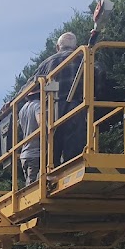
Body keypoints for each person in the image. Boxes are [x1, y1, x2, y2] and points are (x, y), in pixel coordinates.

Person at [31, 32, 87, 165]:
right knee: (73, 146)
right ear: (75, 46)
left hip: (52, 109)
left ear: (57, 47)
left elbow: (30, 85)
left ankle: (50, 169)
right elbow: (98, 75)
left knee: (52, 143)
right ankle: (72, 166)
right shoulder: (83, 57)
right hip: (76, 106)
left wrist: (11, 103)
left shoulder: (48, 63)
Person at [18, 90, 42, 187]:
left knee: (30, 183)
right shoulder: (37, 105)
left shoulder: (22, 110)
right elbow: (40, 122)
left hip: (25, 154)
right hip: (35, 153)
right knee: (32, 188)